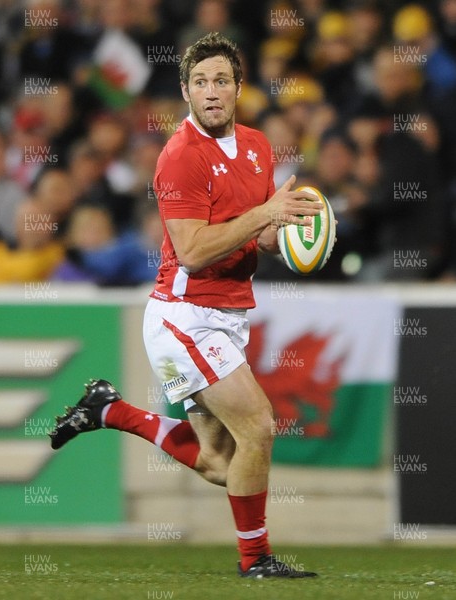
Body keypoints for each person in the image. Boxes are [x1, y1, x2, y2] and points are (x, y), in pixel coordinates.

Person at [49, 32, 322, 579]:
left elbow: (257, 237)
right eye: (200, 82)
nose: (212, 91)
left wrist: (289, 235)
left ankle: (110, 409)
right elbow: (194, 252)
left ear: (239, 88)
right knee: (260, 429)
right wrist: (264, 213)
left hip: (227, 314)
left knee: (222, 462)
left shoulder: (257, 147)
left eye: (221, 80)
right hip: (184, 318)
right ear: (186, 91)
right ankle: (256, 561)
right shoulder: (179, 157)